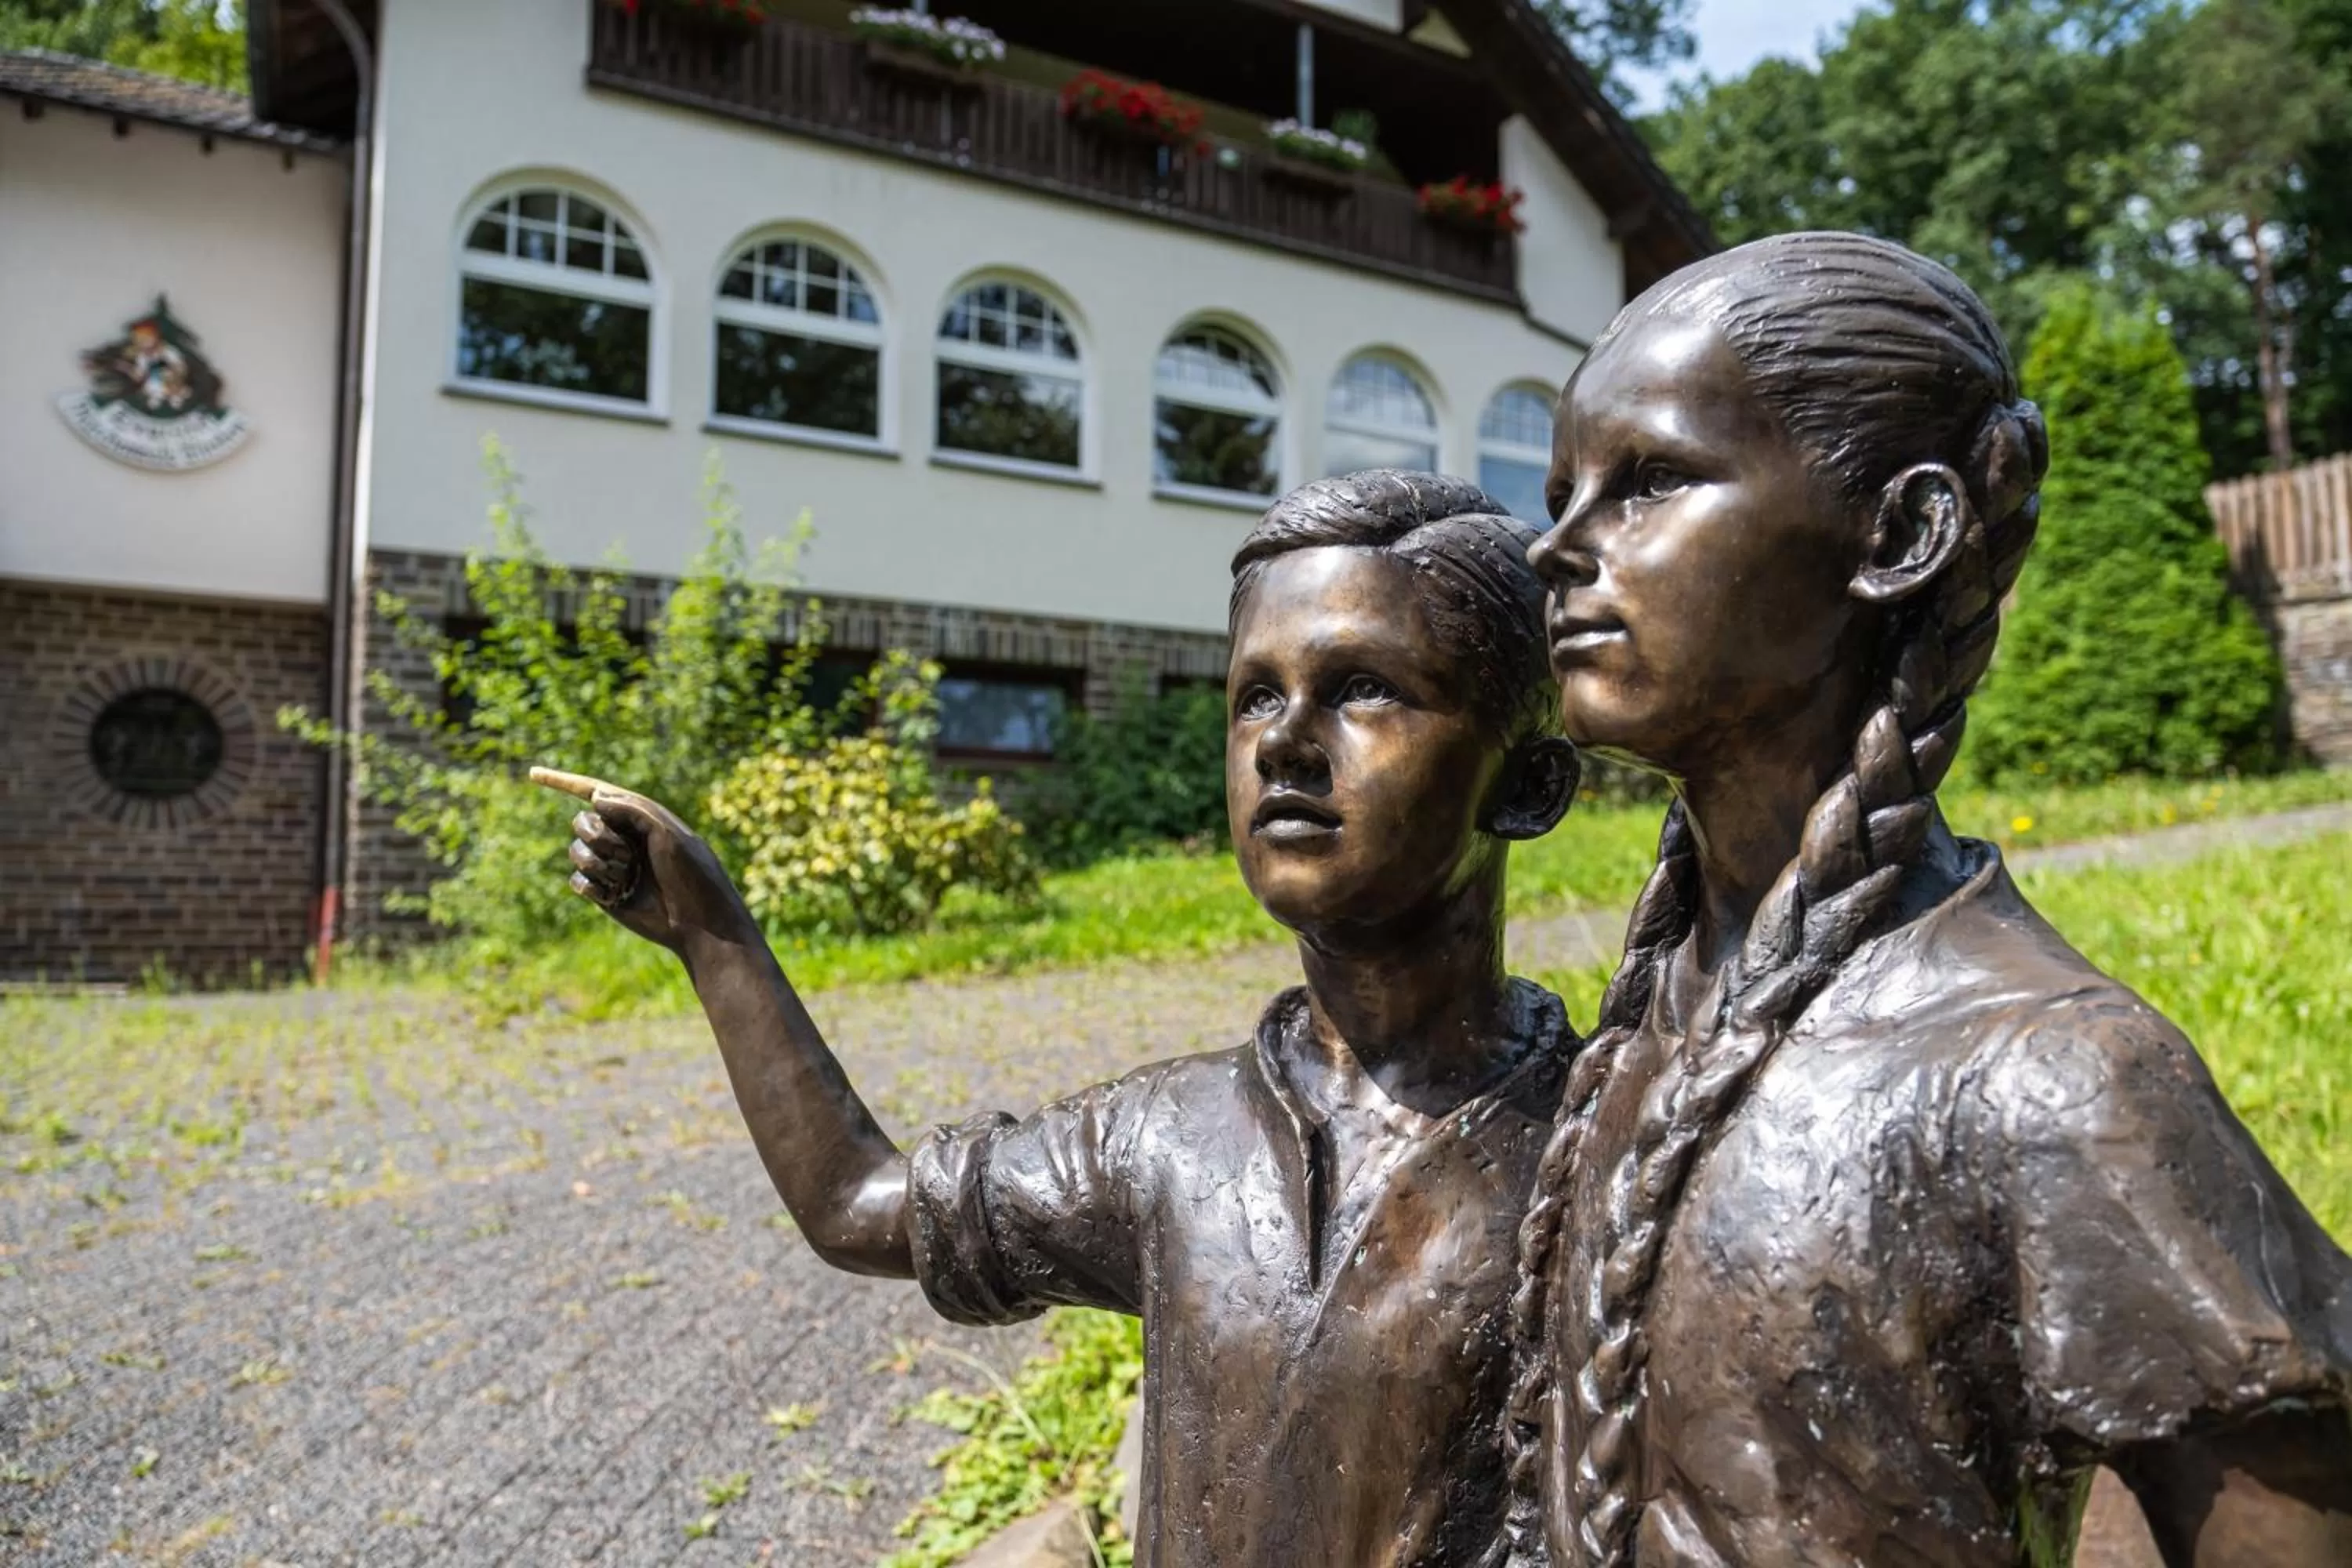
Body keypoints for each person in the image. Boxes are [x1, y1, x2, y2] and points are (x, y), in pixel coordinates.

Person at [537, 470, 1584, 1566]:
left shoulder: (1601, 1146)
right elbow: (858, 1204)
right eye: (1255, 697)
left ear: (1529, 786)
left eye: (1364, 689)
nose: (1284, 741)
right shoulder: (1172, 1140)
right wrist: (713, 937)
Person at [1500, 230, 2352, 1567]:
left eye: (1649, 481)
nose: (1556, 547)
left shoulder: (2056, 1077)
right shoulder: (1638, 1029)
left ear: (1900, 533)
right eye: (1563, 493)